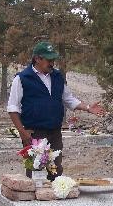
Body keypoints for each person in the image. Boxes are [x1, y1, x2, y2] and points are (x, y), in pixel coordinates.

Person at [7, 41, 105, 179]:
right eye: (49, 60)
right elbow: (12, 108)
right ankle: (36, 199)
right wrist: (22, 132)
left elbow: (69, 99)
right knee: (36, 172)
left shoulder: (58, 77)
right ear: (37, 59)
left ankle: (55, 196)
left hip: (55, 133)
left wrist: (88, 108)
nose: (52, 63)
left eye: (53, 60)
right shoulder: (22, 78)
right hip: (34, 134)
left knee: (56, 171)